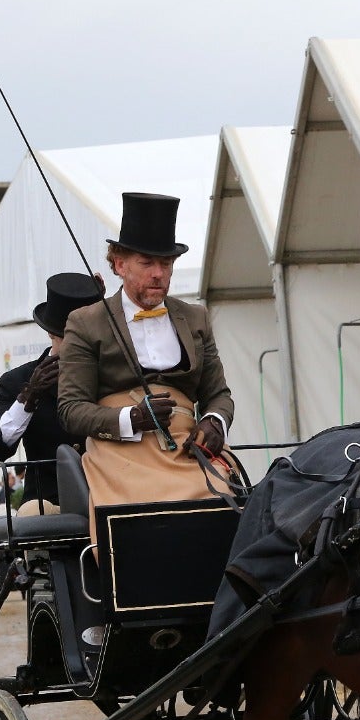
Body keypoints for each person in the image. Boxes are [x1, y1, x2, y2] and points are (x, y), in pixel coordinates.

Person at [58, 192, 236, 516]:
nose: (158, 273)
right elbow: (71, 410)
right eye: (147, 263)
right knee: (139, 518)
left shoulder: (195, 318)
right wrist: (131, 418)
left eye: (165, 263)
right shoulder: (86, 323)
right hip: (120, 453)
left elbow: (219, 394)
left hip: (185, 448)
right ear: (119, 264)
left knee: (228, 501)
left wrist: (214, 422)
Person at [0, 272, 104, 515]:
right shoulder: (17, 382)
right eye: (72, 337)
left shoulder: (114, 374)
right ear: (51, 333)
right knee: (32, 514)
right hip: (49, 504)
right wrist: (27, 399)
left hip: (110, 495)